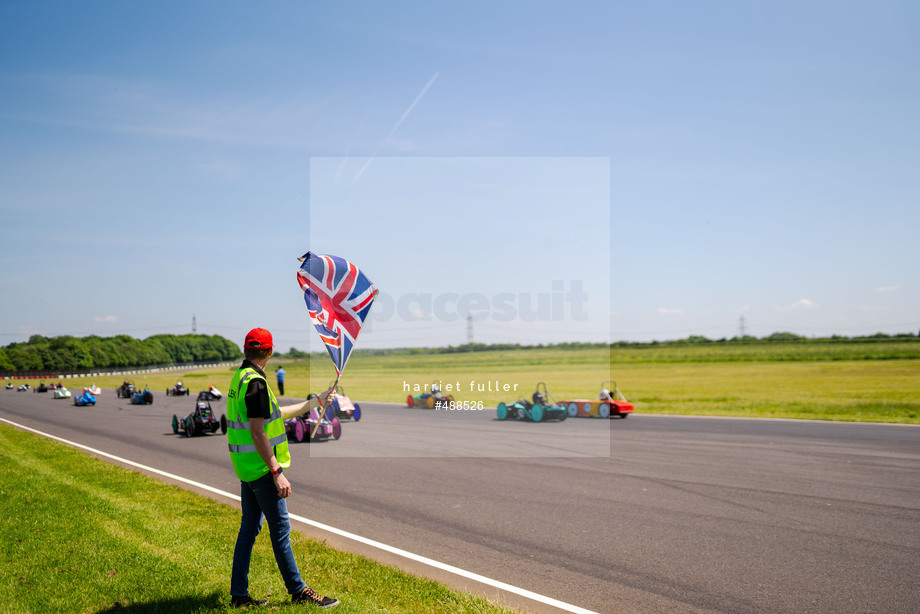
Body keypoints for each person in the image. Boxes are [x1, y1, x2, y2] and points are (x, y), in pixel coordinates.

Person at [228, 328, 339, 609]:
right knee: (280, 530)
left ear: (246, 351)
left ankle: (239, 596)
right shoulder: (256, 383)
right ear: (270, 352)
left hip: (247, 468)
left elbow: (275, 415)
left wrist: (316, 402)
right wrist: (277, 471)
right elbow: (257, 432)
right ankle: (298, 590)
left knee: (249, 530)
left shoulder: (241, 378)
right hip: (262, 469)